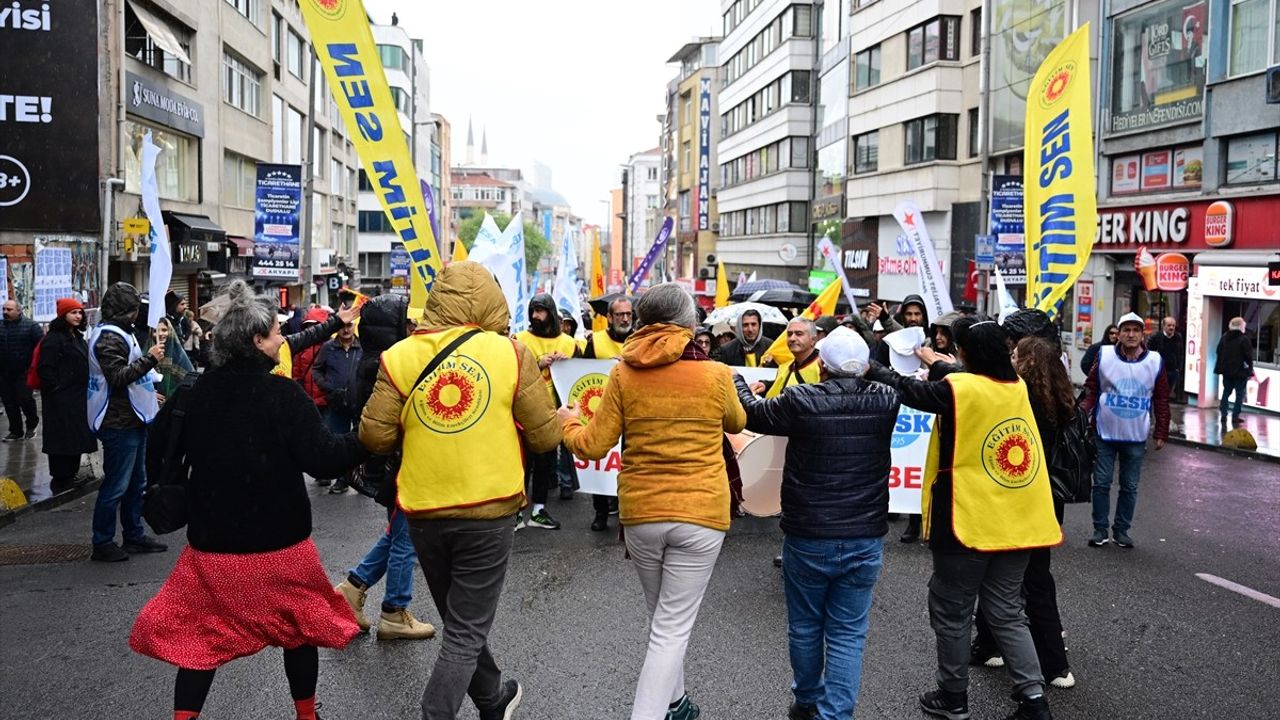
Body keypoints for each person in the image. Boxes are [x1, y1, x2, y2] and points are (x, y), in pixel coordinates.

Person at [130, 280, 368, 720]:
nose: (283, 339)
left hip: (213, 548)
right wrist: (366, 438)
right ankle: (306, 714)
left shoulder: (192, 395)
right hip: (282, 547)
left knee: (198, 641)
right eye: (276, 333)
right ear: (257, 342)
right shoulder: (284, 396)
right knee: (299, 632)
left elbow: (157, 450)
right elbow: (323, 461)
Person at [360, 261, 560, 720]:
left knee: (458, 620)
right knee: (466, 627)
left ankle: (492, 698)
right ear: (491, 299)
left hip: (424, 508)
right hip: (488, 509)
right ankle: (437, 713)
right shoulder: (511, 353)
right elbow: (546, 437)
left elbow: (374, 437)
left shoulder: (401, 355)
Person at [560, 283, 747, 720]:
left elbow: (591, 443)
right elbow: (738, 420)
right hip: (701, 512)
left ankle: (677, 703)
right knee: (670, 629)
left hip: (642, 512)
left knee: (663, 621)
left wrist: (568, 423)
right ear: (688, 323)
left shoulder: (623, 373)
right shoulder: (716, 374)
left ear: (642, 320)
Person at [869, 318, 1061, 720]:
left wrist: (876, 365)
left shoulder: (961, 390)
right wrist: (936, 361)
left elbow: (910, 389)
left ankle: (953, 696)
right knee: (1007, 610)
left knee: (952, 611)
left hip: (969, 520)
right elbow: (959, 379)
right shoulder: (1016, 388)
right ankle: (1033, 698)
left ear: (968, 355)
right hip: (1018, 524)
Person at [734, 326, 900, 720]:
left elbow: (753, 413)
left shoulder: (800, 400)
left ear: (822, 365)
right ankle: (835, 714)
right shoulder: (887, 400)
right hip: (864, 534)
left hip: (809, 532)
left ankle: (807, 699)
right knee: (847, 633)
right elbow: (883, 378)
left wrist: (739, 382)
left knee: (806, 626)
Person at [971, 336, 1076, 689]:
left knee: (1001, 577)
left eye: (1016, 355)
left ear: (1028, 362)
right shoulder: (1059, 402)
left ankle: (1006, 651)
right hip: (1046, 504)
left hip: (1016, 501)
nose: (1011, 360)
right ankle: (1053, 664)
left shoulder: (1020, 400)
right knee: (1035, 580)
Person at [334, 294, 436, 642]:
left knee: (398, 533)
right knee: (407, 538)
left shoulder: (372, 360)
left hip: (393, 464)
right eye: (404, 322)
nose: (411, 327)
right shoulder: (387, 365)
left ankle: (353, 588)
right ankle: (394, 610)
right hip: (400, 466)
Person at [86, 283, 168, 562]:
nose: (137, 314)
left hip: (134, 418)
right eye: (133, 309)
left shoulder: (123, 332)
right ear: (124, 310)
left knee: (137, 483)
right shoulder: (108, 337)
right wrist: (151, 359)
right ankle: (103, 541)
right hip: (117, 422)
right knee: (116, 486)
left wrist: (149, 389)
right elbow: (118, 376)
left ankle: (133, 535)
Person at [1080, 312, 1169, 549]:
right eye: (1126, 330)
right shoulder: (1105, 356)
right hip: (1104, 433)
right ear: (1118, 334)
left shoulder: (1155, 361)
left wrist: (1161, 431)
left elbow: (1161, 398)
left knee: (1129, 486)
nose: (1131, 335)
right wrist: (1080, 415)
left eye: (1136, 330)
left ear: (1142, 335)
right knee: (1101, 483)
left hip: (1135, 436)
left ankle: (1121, 530)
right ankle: (1100, 530)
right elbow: (1091, 389)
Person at [514, 293, 580, 530]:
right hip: (524, 415)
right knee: (522, 465)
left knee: (545, 463)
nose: (535, 316)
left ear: (550, 313)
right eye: (533, 311)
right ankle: (517, 513)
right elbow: (511, 370)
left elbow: (581, 375)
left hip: (553, 415)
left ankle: (539, 511)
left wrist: (568, 363)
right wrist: (537, 364)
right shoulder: (519, 340)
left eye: (540, 311)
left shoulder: (569, 343)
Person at [581, 297, 634, 529]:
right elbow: (581, 371)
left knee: (629, 466)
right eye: (620, 315)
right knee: (600, 463)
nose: (625, 318)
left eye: (629, 314)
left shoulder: (639, 341)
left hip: (632, 414)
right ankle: (600, 513)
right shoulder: (596, 341)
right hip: (603, 413)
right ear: (610, 318)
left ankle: (627, 513)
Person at [37, 298, 97, 493]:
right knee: (61, 439)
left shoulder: (77, 337)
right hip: (61, 400)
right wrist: (57, 389)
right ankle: (61, 479)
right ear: (63, 315)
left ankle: (70, 476)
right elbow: (46, 369)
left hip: (77, 398)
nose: (78, 316)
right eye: (73, 313)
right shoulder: (54, 339)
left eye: (80, 312)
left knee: (74, 438)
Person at [313, 317, 363, 494]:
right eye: (342, 326)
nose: (345, 330)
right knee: (338, 442)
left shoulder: (362, 346)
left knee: (361, 442)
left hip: (359, 403)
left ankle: (360, 478)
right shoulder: (328, 347)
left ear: (354, 326)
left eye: (349, 326)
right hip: (337, 403)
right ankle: (342, 480)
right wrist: (328, 388)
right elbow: (316, 370)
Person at [1, 299, 43, 440]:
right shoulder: (1, 326)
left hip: (24, 371)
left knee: (24, 398)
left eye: (9, 309)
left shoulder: (31, 326)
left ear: (19, 311)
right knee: (9, 402)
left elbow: (41, 348)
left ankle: (32, 424)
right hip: (5, 372)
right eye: (4, 309)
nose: (5, 312)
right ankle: (16, 430)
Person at [750, 317, 820, 398]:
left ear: (813, 340)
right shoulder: (785, 366)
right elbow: (783, 385)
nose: (792, 338)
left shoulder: (823, 367)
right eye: (789, 334)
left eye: (799, 334)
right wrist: (765, 386)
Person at [1213, 317, 1254, 428]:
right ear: (1241, 326)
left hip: (1226, 371)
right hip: (1240, 372)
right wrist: (1250, 369)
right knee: (1239, 394)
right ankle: (1235, 416)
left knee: (1226, 392)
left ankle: (1223, 414)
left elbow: (1218, 352)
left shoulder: (1224, 337)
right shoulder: (1244, 339)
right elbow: (1248, 356)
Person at [149, 317, 196, 400]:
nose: (160, 334)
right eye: (155, 331)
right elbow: (138, 382)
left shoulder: (178, 354)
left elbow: (190, 381)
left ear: (170, 332)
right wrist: (149, 393)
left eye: (164, 330)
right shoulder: (145, 353)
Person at [1147, 316, 1185, 404]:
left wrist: (1178, 368)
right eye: (1169, 325)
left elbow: (1181, 353)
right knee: (1158, 393)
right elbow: (1149, 352)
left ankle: (1164, 414)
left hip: (1172, 370)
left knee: (1166, 394)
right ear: (1164, 326)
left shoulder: (1178, 337)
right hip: (1159, 370)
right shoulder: (1157, 337)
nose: (1171, 328)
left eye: (1173, 326)